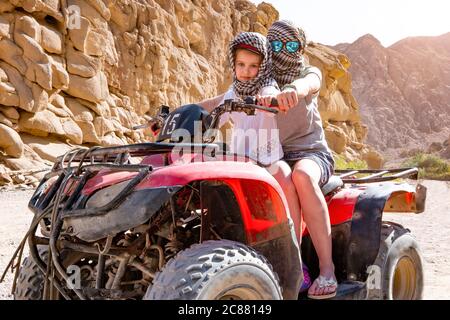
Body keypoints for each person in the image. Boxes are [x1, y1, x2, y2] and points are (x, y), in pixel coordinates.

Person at [197, 32, 303, 238]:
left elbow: (270, 93)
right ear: (233, 64)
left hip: (266, 159)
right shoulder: (233, 92)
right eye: (241, 64)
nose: (246, 71)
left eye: (253, 66)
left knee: (284, 177)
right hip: (239, 159)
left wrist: (271, 100)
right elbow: (215, 116)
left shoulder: (266, 86)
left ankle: (295, 248)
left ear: (262, 67)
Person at [261, 20, 337, 299]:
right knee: (279, 177)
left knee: (301, 176)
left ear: (300, 47)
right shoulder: (262, 77)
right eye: (276, 44)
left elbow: (309, 83)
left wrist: (294, 88)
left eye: (291, 45)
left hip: (312, 154)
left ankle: (327, 269)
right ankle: (294, 266)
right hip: (276, 155)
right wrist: (192, 108)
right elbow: (230, 96)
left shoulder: (307, 71)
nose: (283, 50)